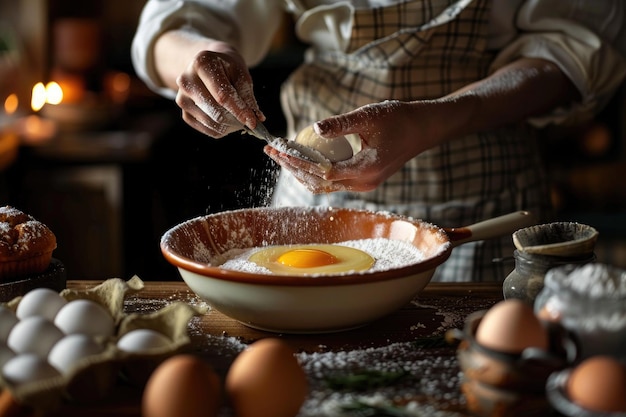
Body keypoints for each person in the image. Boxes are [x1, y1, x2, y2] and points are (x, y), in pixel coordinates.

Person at [132, 0, 626, 281]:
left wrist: (431, 119)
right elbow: (174, 25)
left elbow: (574, 50)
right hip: (313, 204)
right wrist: (201, 55)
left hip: (481, 201)